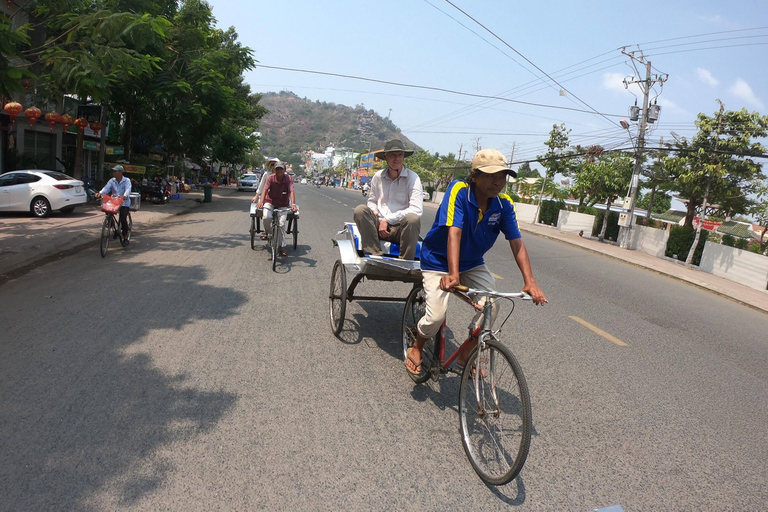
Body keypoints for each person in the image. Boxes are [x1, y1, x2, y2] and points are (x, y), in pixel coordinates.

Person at [405, 149, 547, 375]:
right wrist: (452, 274)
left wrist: (530, 281)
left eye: (502, 176)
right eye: (491, 175)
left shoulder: (504, 205)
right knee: (435, 316)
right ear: (474, 176)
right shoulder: (459, 190)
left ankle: (466, 355)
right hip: (439, 261)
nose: (498, 182)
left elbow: (516, 242)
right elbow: (455, 233)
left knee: (492, 305)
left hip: (471, 263)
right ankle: (417, 345)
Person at [353, 139, 423, 260]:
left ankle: (405, 263)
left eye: (399, 155)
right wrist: (374, 211)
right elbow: (372, 200)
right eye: (392, 155)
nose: (397, 158)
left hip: (401, 229)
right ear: (385, 157)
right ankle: (373, 256)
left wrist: (388, 219)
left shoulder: (413, 178)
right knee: (360, 210)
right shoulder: (378, 176)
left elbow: (416, 209)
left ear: (403, 157)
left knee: (413, 219)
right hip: (378, 226)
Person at [254, 162, 297, 257]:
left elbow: (291, 191)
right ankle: (269, 232)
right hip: (270, 201)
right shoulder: (270, 178)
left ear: (284, 170)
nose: (279, 171)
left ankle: (281, 247)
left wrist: (293, 204)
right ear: (274, 170)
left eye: (281, 169)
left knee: (281, 224)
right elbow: (264, 190)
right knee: (266, 217)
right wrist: (261, 201)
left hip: (283, 204)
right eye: (277, 169)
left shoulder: (288, 179)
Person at [94, 165, 132, 240]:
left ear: (121, 172)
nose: (114, 173)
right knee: (107, 210)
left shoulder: (127, 180)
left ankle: (125, 233)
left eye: (115, 171)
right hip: (114, 202)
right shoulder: (112, 181)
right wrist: (100, 193)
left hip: (124, 202)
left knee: (123, 217)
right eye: (113, 171)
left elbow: (128, 189)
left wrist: (124, 196)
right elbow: (106, 188)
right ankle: (111, 223)